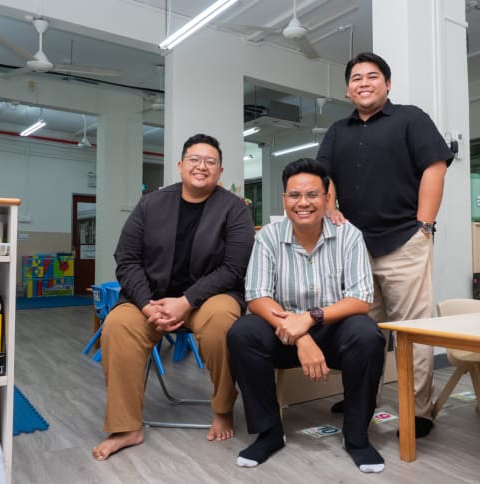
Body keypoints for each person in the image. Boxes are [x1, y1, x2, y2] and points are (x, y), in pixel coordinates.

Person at [92, 133, 255, 460]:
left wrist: (186, 301)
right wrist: (146, 304)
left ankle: (223, 407)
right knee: (117, 325)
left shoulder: (234, 209)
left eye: (210, 162)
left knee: (222, 321)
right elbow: (126, 259)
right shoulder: (151, 204)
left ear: (220, 172)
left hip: (210, 299)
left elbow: (233, 268)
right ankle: (127, 427)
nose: (201, 167)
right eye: (194, 159)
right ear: (180, 166)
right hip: (151, 300)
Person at [317, 52, 454, 438]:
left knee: (412, 331)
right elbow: (322, 175)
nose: (364, 82)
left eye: (372, 76)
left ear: (387, 84)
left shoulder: (411, 118)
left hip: (403, 242)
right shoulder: (337, 131)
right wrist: (331, 210)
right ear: (348, 89)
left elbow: (435, 166)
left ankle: (420, 410)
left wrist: (424, 225)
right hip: (355, 247)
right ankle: (363, 398)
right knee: (363, 329)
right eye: (356, 77)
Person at [228, 158, 386, 473]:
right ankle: (270, 432)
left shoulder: (349, 235)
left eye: (312, 195)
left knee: (368, 334)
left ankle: (356, 437)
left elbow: (360, 299)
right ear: (284, 199)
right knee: (242, 333)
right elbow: (257, 297)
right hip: (283, 333)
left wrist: (310, 319)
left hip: (334, 332)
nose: (303, 203)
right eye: (294, 195)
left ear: (328, 198)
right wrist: (299, 334)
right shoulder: (269, 237)